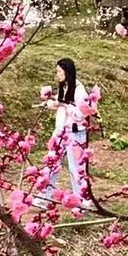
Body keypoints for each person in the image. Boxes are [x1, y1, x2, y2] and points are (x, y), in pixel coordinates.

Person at [37, 57, 92, 210]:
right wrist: (53, 104)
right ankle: (44, 197)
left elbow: (81, 114)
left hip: (75, 133)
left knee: (76, 168)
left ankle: (82, 200)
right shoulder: (65, 86)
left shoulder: (79, 90)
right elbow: (62, 104)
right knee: (52, 162)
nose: (58, 75)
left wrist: (65, 105)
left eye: (59, 72)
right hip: (61, 131)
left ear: (67, 72)